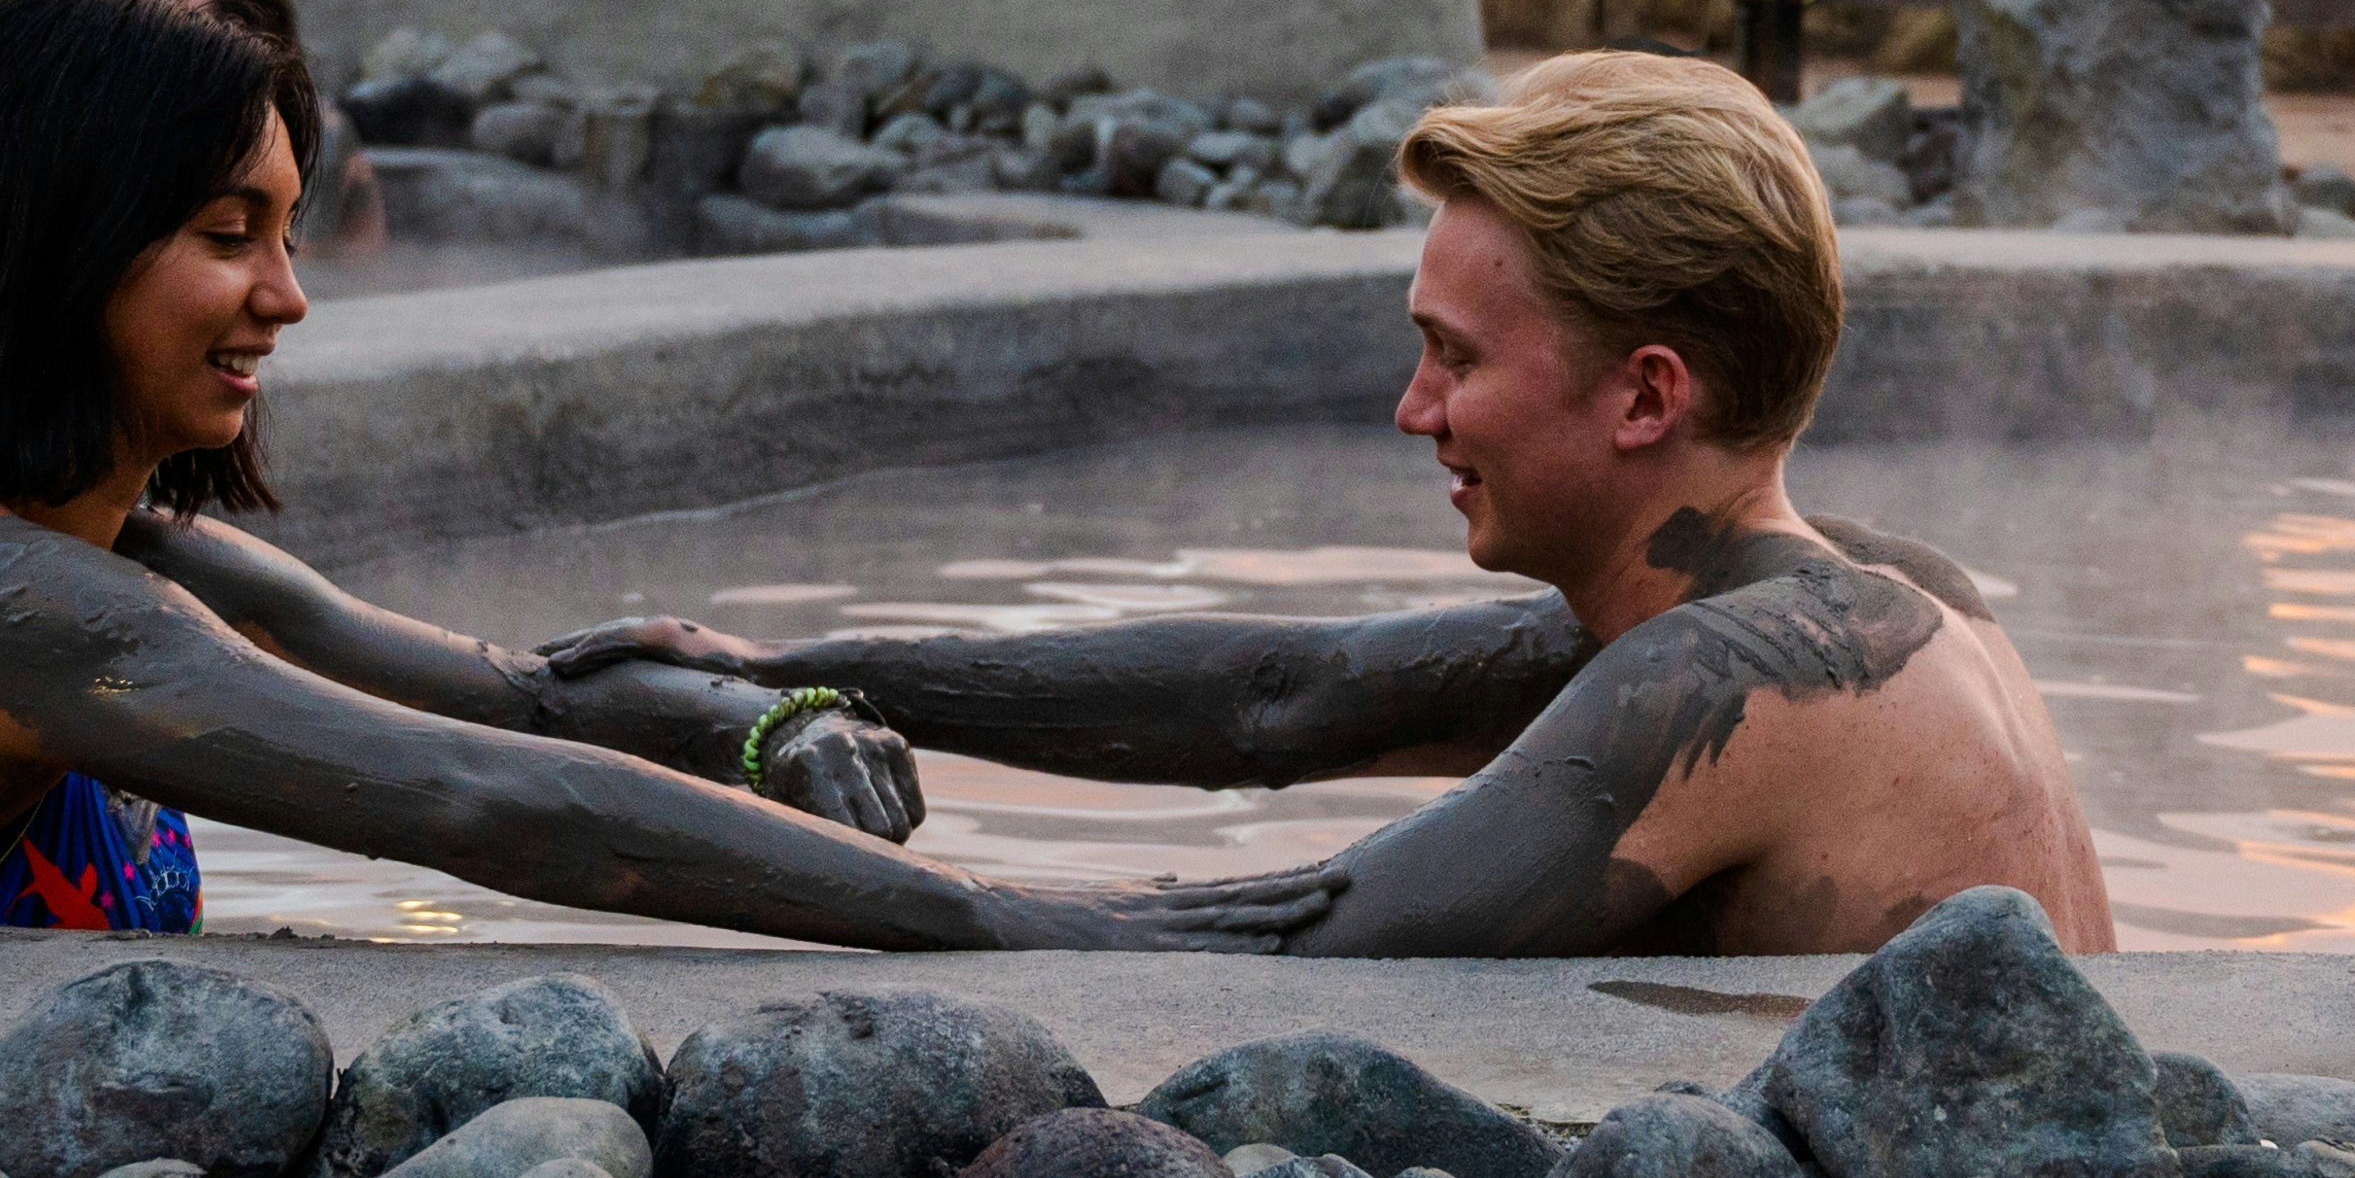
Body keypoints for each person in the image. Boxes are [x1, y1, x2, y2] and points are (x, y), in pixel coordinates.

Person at [0, 0, 1344, 945]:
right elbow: (494, 806)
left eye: (289, 229)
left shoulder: (118, 553)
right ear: (57, 248)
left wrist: (767, 718)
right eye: (225, 232)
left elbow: (520, 702)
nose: (287, 295)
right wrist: (1060, 927)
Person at [545, 51, 2112, 957]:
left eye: (1452, 357)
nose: (1411, 410)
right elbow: (1278, 697)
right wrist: (770, 678)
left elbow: (1271, 949)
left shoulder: (1739, 686)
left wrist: (658, 831)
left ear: (1646, 395)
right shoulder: (1866, 598)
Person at [170, 0, 385, 258]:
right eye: (178, 29)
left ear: (251, 34)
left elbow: (298, 255)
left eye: (196, 28)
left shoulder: (315, 128)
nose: (178, 47)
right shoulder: (197, 124)